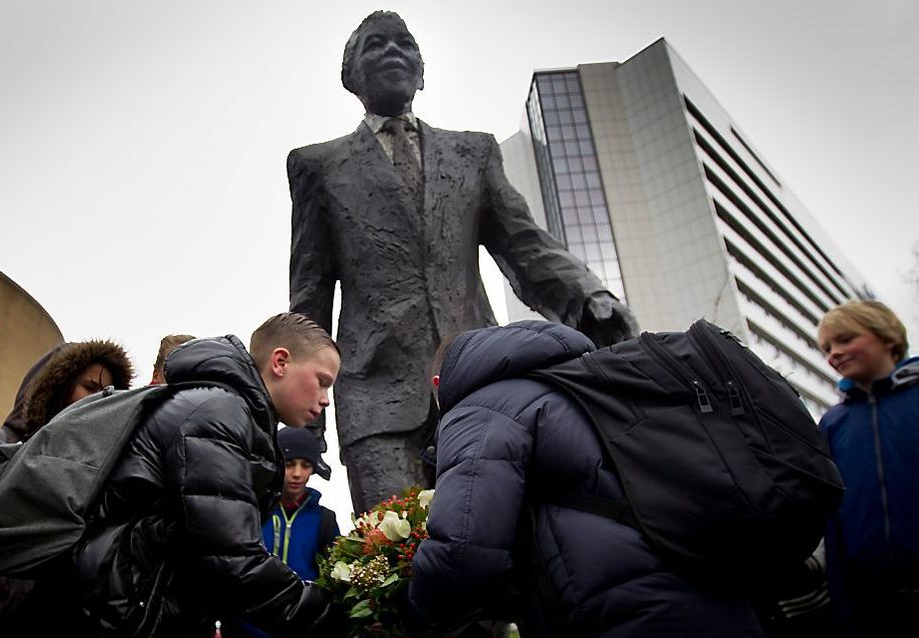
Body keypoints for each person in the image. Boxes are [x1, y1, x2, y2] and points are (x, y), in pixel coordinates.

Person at [287, 10, 639, 515]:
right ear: (350, 77)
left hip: (480, 377)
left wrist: (589, 297)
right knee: (394, 557)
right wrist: (306, 410)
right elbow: (311, 291)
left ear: (423, 71)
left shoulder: (472, 153)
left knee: (510, 537)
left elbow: (526, 246)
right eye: (374, 45)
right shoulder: (317, 165)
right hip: (376, 396)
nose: (391, 51)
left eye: (403, 43)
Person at [409, 320, 763, 637]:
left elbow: (463, 550)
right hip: (718, 599)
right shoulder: (586, 383)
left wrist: (413, 613)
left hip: (626, 614)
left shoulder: (478, 407)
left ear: (439, 384)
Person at [72, 313, 343, 637]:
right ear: (280, 362)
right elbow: (231, 560)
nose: (326, 399)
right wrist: (338, 615)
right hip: (125, 609)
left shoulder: (232, 412)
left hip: (136, 601)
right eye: (322, 381)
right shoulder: (219, 415)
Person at [0, 340, 134, 638]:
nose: (99, 400)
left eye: (108, 394)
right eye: (90, 387)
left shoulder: (99, 480)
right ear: (58, 386)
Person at [816, 300, 919, 636]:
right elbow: (832, 518)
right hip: (871, 605)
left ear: (887, 338)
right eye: (827, 348)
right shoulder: (832, 423)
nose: (834, 354)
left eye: (845, 340)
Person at [264, 426, 340, 580]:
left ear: (313, 469)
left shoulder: (325, 520)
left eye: (305, 466)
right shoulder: (257, 511)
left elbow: (332, 576)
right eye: (289, 464)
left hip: (305, 603)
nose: (297, 474)